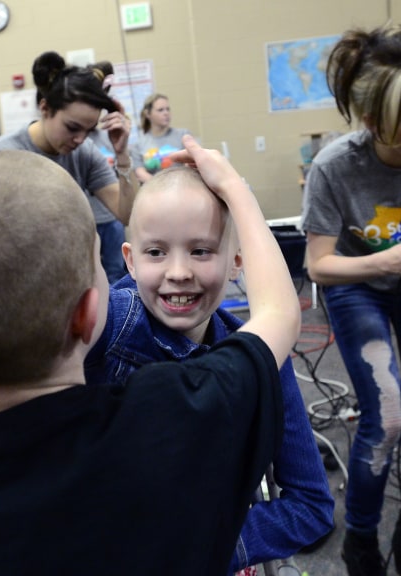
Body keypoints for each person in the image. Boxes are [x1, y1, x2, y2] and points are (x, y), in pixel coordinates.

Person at [0, 137, 303, 575]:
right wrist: (237, 193)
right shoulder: (169, 420)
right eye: (102, 265)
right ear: (88, 313)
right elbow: (279, 312)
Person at [84, 161, 334, 574]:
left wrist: (208, 542)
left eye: (201, 251)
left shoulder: (263, 358)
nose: (179, 273)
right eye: (156, 252)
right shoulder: (104, 327)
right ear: (129, 260)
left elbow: (311, 507)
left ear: (238, 261)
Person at [301, 23, 401, 576]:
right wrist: (384, 261)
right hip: (357, 285)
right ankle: (361, 537)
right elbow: (318, 265)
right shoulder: (335, 167)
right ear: (371, 122)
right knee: (388, 417)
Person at [0, 51, 139, 228]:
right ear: (45, 108)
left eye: (89, 131)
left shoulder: (85, 153)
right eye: (72, 128)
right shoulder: (4, 154)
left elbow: (129, 216)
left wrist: (122, 154)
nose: (80, 139)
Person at [84, 60, 128, 283]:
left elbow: (126, 175)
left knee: (115, 272)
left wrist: (123, 151)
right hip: (86, 220)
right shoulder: (77, 141)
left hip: (111, 218)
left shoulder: (108, 136)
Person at [131, 93, 192, 182]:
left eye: (168, 109)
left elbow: (190, 166)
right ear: (148, 114)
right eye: (160, 110)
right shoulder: (139, 145)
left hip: (180, 187)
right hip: (153, 190)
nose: (166, 113)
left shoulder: (183, 135)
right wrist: (161, 187)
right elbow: (140, 173)